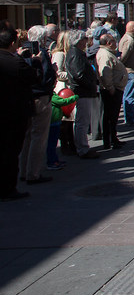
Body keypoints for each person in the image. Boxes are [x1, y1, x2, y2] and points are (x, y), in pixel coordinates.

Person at [0, 21, 37, 200]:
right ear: (13, 43)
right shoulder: (15, 63)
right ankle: (8, 188)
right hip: (14, 114)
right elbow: (32, 76)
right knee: (11, 152)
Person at [20, 25, 57, 184]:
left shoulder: (21, 53)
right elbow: (45, 77)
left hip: (26, 97)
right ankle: (33, 173)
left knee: (28, 135)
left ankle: (24, 170)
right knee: (38, 136)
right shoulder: (39, 54)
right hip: (40, 97)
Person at [65, 30, 99, 159]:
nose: (86, 41)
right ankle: (82, 148)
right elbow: (79, 74)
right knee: (82, 121)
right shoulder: (75, 54)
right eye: (85, 38)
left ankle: (82, 146)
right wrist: (90, 83)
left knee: (82, 121)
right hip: (82, 91)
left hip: (83, 90)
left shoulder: (78, 53)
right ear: (79, 40)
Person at [95, 33, 127, 150]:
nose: (115, 43)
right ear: (109, 43)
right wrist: (110, 87)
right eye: (113, 41)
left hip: (116, 88)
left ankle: (113, 138)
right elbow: (105, 73)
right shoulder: (104, 55)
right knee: (109, 116)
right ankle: (109, 140)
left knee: (113, 117)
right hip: (111, 90)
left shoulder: (108, 53)